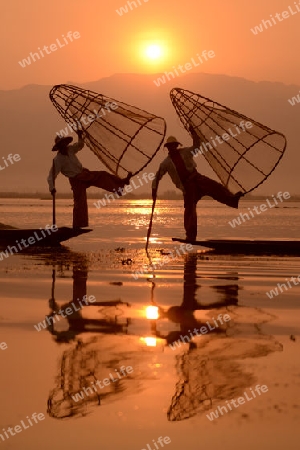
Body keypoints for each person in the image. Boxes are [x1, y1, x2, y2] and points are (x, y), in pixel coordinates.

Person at [151, 127, 243, 241]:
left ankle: (232, 199)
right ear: (168, 148)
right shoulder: (166, 163)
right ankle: (190, 236)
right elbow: (156, 177)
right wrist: (154, 191)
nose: (172, 148)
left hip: (197, 178)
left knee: (216, 187)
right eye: (170, 146)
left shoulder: (185, 152)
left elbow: (196, 146)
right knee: (190, 210)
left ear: (176, 145)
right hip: (187, 187)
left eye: (174, 145)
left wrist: (194, 133)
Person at [47, 131, 132, 228]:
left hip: (84, 174)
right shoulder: (58, 160)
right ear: (59, 146)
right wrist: (52, 188)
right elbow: (51, 176)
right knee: (80, 201)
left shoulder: (70, 150)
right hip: (76, 180)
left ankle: (122, 182)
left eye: (64, 143)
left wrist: (80, 136)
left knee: (102, 175)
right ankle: (78, 225)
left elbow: (80, 145)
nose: (64, 145)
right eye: (61, 144)